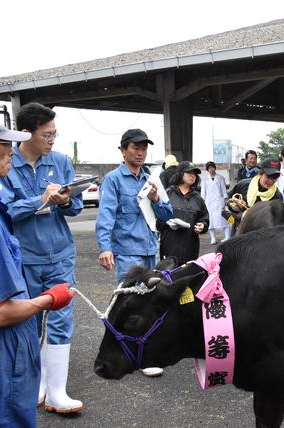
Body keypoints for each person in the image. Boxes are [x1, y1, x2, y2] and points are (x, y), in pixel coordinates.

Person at [0, 109, 75, 427]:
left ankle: (55, 389)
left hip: (57, 252)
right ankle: (35, 386)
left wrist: (63, 200)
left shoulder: (60, 162)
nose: (51, 140)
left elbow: (74, 204)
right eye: (46, 134)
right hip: (26, 259)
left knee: (57, 325)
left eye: (53, 134)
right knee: (23, 325)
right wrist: (38, 201)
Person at [96, 129, 173, 379]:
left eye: (144, 148)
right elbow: (106, 215)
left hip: (151, 247)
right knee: (129, 303)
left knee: (150, 301)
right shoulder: (113, 180)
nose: (140, 152)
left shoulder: (151, 179)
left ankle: (146, 352)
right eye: (135, 148)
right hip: (127, 249)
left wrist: (156, 198)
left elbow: (166, 215)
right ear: (123, 150)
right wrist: (105, 247)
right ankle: (117, 349)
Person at [158, 162, 209, 262]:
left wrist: (202, 225)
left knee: (188, 276)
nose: (192, 175)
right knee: (167, 276)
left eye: (194, 173)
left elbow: (205, 218)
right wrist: (167, 223)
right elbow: (157, 220)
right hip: (169, 248)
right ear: (180, 174)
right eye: (189, 172)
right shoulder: (167, 194)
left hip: (190, 249)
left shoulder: (198, 198)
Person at [201, 161, 230, 244]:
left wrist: (225, 201)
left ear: (215, 168)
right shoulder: (205, 180)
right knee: (210, 220)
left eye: (212, 167)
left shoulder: (220, 178)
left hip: (219, 201)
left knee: (224, 219)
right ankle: (213, 238)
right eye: (209, 168)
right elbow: (203, 193)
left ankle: (227, 236)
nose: (211, 169)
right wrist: (202, 202)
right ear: (207, 169)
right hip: (209, 202)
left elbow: (224, 191)